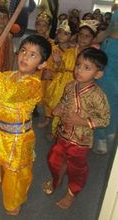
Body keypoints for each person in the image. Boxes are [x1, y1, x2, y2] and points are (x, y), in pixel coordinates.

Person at [0, 35, 52, 215]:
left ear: (42, 65)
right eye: (24, 51)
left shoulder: (34, 84)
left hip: (18, 138)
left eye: (33, 55)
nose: (25, 57)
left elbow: (10, 93)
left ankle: (13, 200)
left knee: (14, 173)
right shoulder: (9, 75)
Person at [42, 47, 110, 209]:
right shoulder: (70, 86)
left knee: (76, 169)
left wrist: (83, 121)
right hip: (63, 133)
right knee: (54, 158)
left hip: (80, 141)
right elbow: (65, 100)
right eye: (78, 65)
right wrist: (58, 107)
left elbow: (105, 119)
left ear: (98, 74)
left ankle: (72, 193)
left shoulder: (97, 95)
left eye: (87, 68)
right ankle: (56, 179)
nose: (79, 70)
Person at [93, 9, 118, 154]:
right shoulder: (115, 15)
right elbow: (104, 35)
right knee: (103, 102)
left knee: (112, 102)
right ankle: (101, 136)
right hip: (106, 70)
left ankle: (109, 132)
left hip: (113, 71)